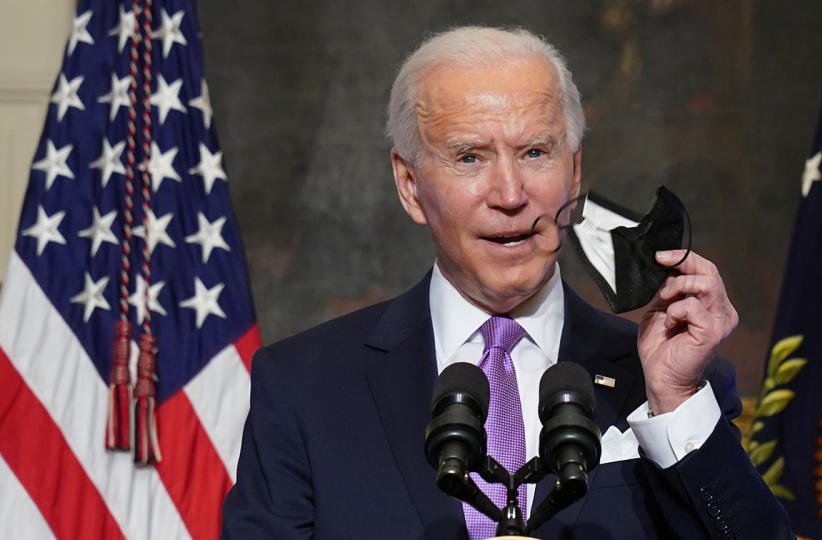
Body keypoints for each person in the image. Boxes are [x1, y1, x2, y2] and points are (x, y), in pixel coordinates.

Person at [221, 26, 792, 539]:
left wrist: (674, 402)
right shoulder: (304, 387)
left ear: (572, 171)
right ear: (410, 185)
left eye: (535, 152)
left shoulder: (666, 379)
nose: (511, 194)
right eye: (470, 157)